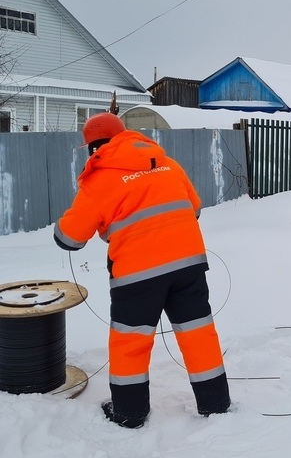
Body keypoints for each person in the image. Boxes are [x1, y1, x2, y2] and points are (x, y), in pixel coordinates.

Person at [53, 112, 230, 428]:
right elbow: (195, 208)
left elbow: (70, 238)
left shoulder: (98, 178)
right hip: (188, 264)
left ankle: (129, 412)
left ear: (93, 147)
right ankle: (215, 403)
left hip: (137, 274)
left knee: (130, 342)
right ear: (124, 135)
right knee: (198, 334)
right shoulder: (167, 163)